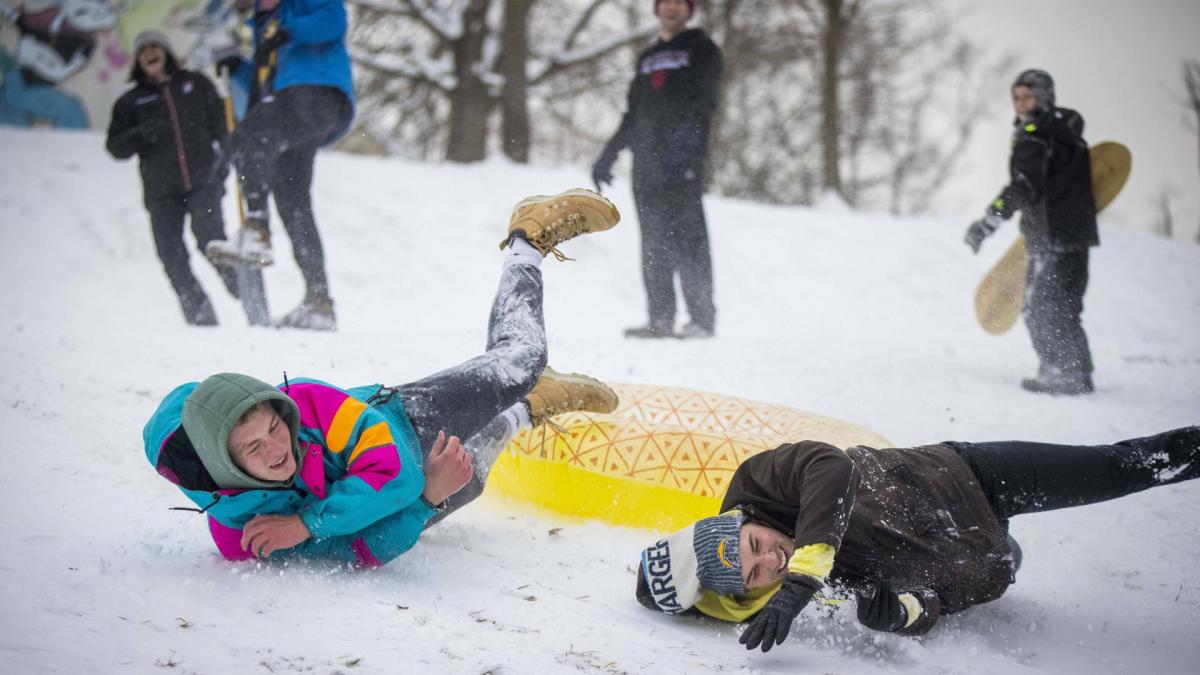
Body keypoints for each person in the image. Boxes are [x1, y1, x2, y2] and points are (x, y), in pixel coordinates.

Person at [143, 189, 620, 565]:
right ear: (223, 463)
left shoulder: (305, 400)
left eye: (273, 427)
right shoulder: (238, 534)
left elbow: (392, 470)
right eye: (252, 448)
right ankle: (532, 405)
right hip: (404, 485)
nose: (277, 447)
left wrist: (308, 523)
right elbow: (359, 551)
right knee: (469, 479)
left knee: (520, 360)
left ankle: (527, 238)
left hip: (403, 419)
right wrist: (427, 500)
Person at [634, 426, 1199, 650]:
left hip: (966, 478)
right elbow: (931, 600)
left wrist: (804, 572)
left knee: (1121, 468)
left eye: (755, 545)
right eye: (756, 576)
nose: (770, 561)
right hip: (982, 558)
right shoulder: (805, 594)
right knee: (1001, 563)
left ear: (740, 522)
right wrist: (903, 613)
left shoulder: (761, 484)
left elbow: (829, 465)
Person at [203, 0, 355, 331]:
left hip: (318, 94)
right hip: (291, 107)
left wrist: (287, 30)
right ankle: (319, 302)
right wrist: (236, 64)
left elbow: (332, 23)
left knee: (247, 137)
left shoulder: (298, 9)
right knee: (293, 202)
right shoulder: (264, 24)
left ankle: (256, 229)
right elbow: (263, 83)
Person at [592, 0, 722, 340]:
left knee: (689, 241)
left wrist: (685, 144)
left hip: (683, 164)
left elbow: (704, 104)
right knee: (654, 243)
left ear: (690, 9)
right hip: (646, 165)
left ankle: (701, 321)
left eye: (680, 2)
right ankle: (660, 319)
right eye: (666, 1)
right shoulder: (647, 58)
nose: (672, 7)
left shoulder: (702, 48)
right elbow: (633, 113)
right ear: (657, 7)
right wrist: (610, 152)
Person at [965, 69, 1098, 395]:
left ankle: (1065, 374)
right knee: (1062, 306)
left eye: (1028, 96)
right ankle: (1073, 371)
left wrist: (987, 223)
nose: (1021, 103)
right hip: (1072, 235)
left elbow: (1023, 187)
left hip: (1053, 236)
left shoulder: (1036, 137)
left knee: (1044, 307)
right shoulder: (1065, 134)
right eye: (1017, 97)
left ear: (1045, 96)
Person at [105, 30, 243, 327]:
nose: (149, 53)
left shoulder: (196, 84)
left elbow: (224, 127)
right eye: (143, 51)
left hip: (204, 180)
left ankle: (246, 294)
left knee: (211, 240)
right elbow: (114, 146)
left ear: (167, 51)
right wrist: (142, 133)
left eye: (155, 47)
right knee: (171, 256)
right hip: (161, 192)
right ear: (138, 61)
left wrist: (223, 166)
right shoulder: (132, 101)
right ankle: (202, 319)